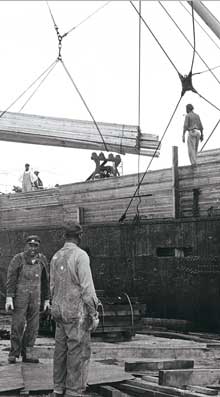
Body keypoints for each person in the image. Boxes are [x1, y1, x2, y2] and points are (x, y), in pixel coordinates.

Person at [50, 222, 99, 397]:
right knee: (78, 350)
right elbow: (87, 289)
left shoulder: (55, 256)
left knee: (61, 350)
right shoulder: (80, 255)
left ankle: (58, 388)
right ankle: (73, 391)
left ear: (64, 236)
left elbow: (52, 286)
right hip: (75, 312)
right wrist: (94, 312)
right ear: (80, 236)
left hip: (58, 310)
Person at [5, 235, 50, 364]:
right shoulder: (18, 259)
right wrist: (9, 297)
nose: (33, 248)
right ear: (26, 245)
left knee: (33, 327)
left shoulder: (42, 260)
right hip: (20, 297)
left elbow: (46, 281)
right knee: (17, 325)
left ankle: (28, 354)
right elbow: (11, 279)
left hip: (35, 298)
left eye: (35, 246)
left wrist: (47, 299)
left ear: (39, 247)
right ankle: (14, 353)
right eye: (30, 245)